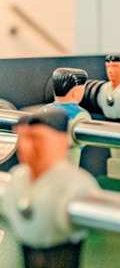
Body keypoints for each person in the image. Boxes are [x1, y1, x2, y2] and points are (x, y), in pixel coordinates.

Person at [1, 110, 100, 268]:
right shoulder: (18, 177)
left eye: (36, 139)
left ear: (61, 142)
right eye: (22, 138)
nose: (25, 147)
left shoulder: (76, 183)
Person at [40, 68, 91, 166]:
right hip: (69, 160)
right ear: (76, 92)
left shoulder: (42, 110)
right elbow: (84, 140)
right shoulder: (81, 115)